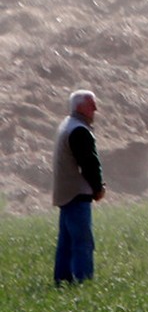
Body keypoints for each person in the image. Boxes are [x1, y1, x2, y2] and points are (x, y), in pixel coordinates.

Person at [54, 90, 105, 286]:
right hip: (77, 193)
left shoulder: (66, 126)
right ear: (79, 107)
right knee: (83, 242)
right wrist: (98, 188)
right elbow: (90, 163)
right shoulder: (79, 130)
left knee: (66, 243)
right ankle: (82, 281)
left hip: (65, 193)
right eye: (91, 104)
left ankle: (62, 281)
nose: (95, 109)